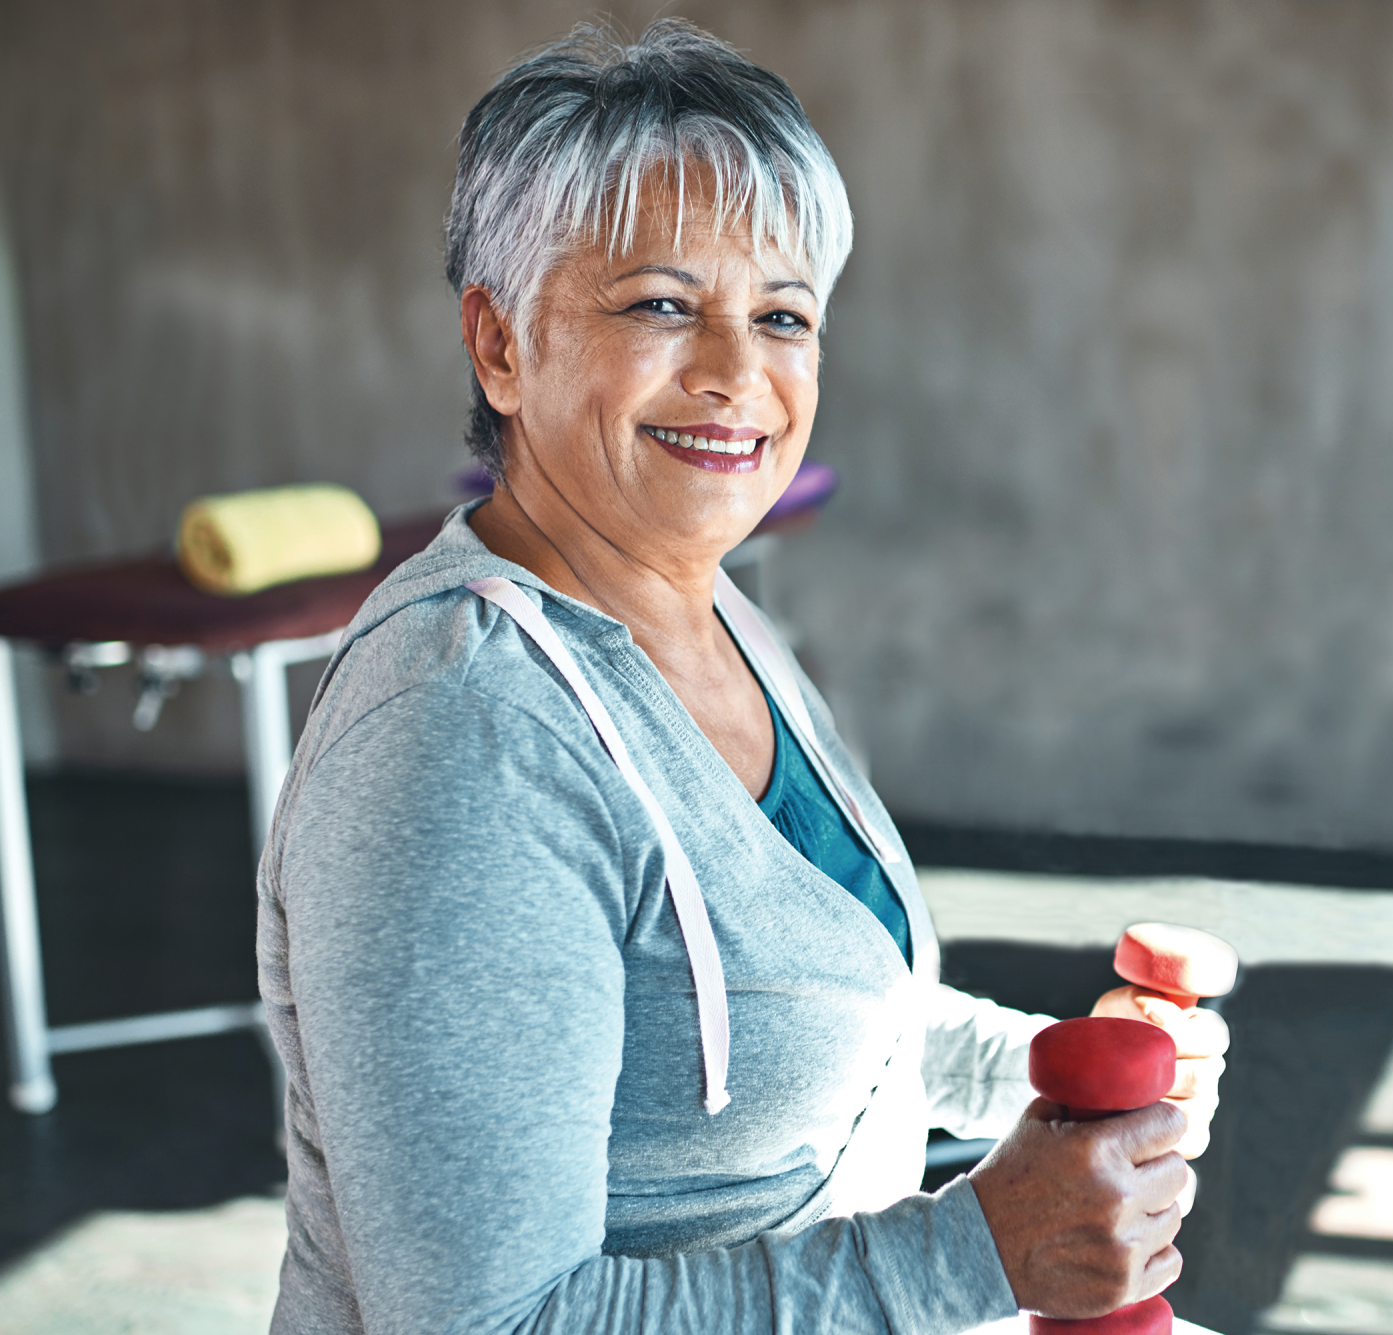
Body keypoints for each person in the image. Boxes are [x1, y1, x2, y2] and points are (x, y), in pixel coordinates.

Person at [256, 20, 1227, 1335]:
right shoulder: (463, 730)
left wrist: (1044, 1077)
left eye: (782, 315)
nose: (734, 375)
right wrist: (977, 1256)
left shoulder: (710, 610)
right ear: (500, 344)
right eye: (661, 303)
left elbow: (803, 1010)